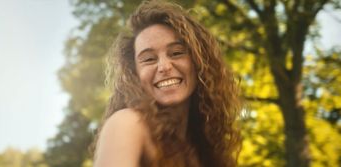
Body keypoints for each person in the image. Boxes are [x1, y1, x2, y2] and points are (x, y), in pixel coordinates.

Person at [93, 1, 242, 167]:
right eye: (149, 59)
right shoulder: (127, 123)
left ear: (199, 63)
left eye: (176, 53)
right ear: (135, 74)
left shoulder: (203, 147)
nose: (164, 67)